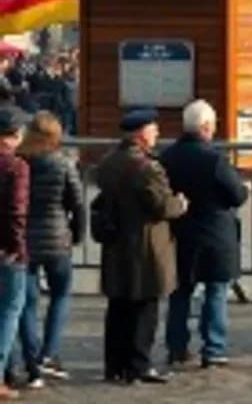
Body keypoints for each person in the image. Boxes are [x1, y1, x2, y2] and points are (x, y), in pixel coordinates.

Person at [96, 109, 188, 384]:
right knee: (145, 306)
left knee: (118, 305)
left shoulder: (108, 162)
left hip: (116, 243)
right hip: (145, 244)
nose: (157, 133)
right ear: (140, 134)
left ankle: (114, 364)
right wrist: (180, 204)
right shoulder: (147, 168)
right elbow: (160, 206)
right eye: (153, 129)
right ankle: (139, 364)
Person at [161, 100, 249, 369]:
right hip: (215, 234)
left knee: (180, 292)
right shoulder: (214, 160)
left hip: (181, 232)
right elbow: (237, 195)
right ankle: (214, 347)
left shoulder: (167, 157)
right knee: (216, 290)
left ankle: (176, 347)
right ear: (207, 127)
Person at [15, 112, 85, 389]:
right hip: (57, 238)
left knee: (27, 302)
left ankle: (32, 360)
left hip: (24, 239)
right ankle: (49, 352)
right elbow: (77, 204)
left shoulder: (20, 162)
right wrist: (77, 234)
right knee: (60, 295)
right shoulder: (64, 164)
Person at [0, 109, 29, 402]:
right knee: (9, 310)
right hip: (6, 250)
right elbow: (16, 211)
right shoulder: (16, 167)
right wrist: (17, 248)